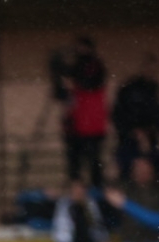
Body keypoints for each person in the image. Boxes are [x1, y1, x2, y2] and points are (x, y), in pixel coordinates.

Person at [61, 36, 108, 187]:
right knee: (74, 163)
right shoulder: (75, 66)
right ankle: (76, 188)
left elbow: (92, 84)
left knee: (93, 161)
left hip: (90, 124)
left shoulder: (94, 65)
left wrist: (74, 83)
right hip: (76, 126)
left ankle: (96, 190)